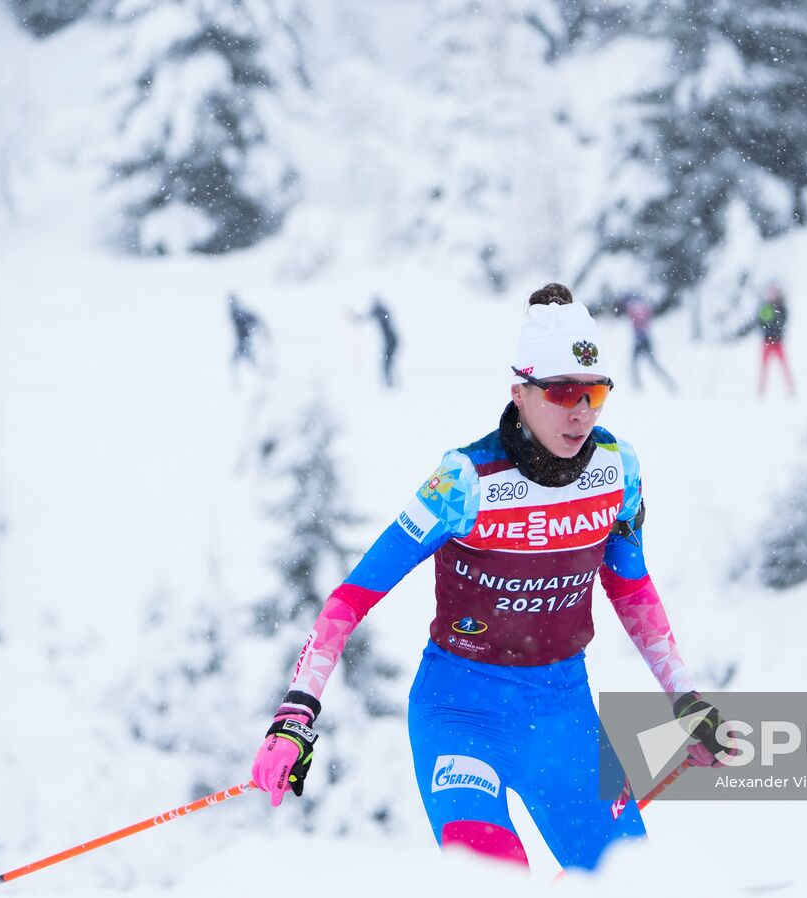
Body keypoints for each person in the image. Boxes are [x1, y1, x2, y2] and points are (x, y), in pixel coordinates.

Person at [251, 283, 727, 872]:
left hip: (564, 717)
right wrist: (296, 712)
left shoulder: (616, 470)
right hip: (460, 715)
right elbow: (350, 600)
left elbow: (632, 591)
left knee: (628, 883)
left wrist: (685, 699)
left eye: (595, 393)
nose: (580, 411)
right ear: (520, 393)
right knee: (498, 881)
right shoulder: (464, 481)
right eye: (561, 392)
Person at [623, 293, 677, 393]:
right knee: (646, 365)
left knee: (641, 365)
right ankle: (638, 388)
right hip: (643, 340)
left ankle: (638, 388)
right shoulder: (643, 308)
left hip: (642, 341)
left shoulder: (635, 309)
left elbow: (640, 318)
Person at [756, 283, 795, 397]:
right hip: (767, 342)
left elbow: (783, 321)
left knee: (784, 366)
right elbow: (760, 322)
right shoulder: (765, 307)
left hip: (778, 341)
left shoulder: (781, 307)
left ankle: (790, 389)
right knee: (764, 367)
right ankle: (761, 390)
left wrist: (774, 321)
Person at [355, 295, 399, 389]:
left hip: (391, 340)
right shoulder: (381, 311)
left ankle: (391, 383)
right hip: (392, 340)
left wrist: (356, 318)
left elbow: (365, 317)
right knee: (388, 362)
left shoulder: (380, 311)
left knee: (387, 362)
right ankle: (390, 382)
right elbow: (366, 317)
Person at [228, 292, 267, 369]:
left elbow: (255, 320)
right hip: (242, 341)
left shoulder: (240, 312)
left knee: (243, 360)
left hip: (245, 340)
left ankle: (259, 371)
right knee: (237, 361)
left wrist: (256, 330)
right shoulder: (235, 312)